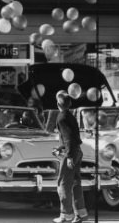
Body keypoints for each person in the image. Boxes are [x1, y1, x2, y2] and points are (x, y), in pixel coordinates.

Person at [53, 92, 88, 223]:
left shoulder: (61, 117)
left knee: (63, 184)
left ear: (58, 104)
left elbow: (68, 139)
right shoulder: (70, 116)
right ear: (70, 104)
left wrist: (68, 156)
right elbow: (72, 138)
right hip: (77, 151)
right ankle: (81, 214)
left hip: (71, 154)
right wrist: (60, 148)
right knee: (75, 183)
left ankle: (66, 215)